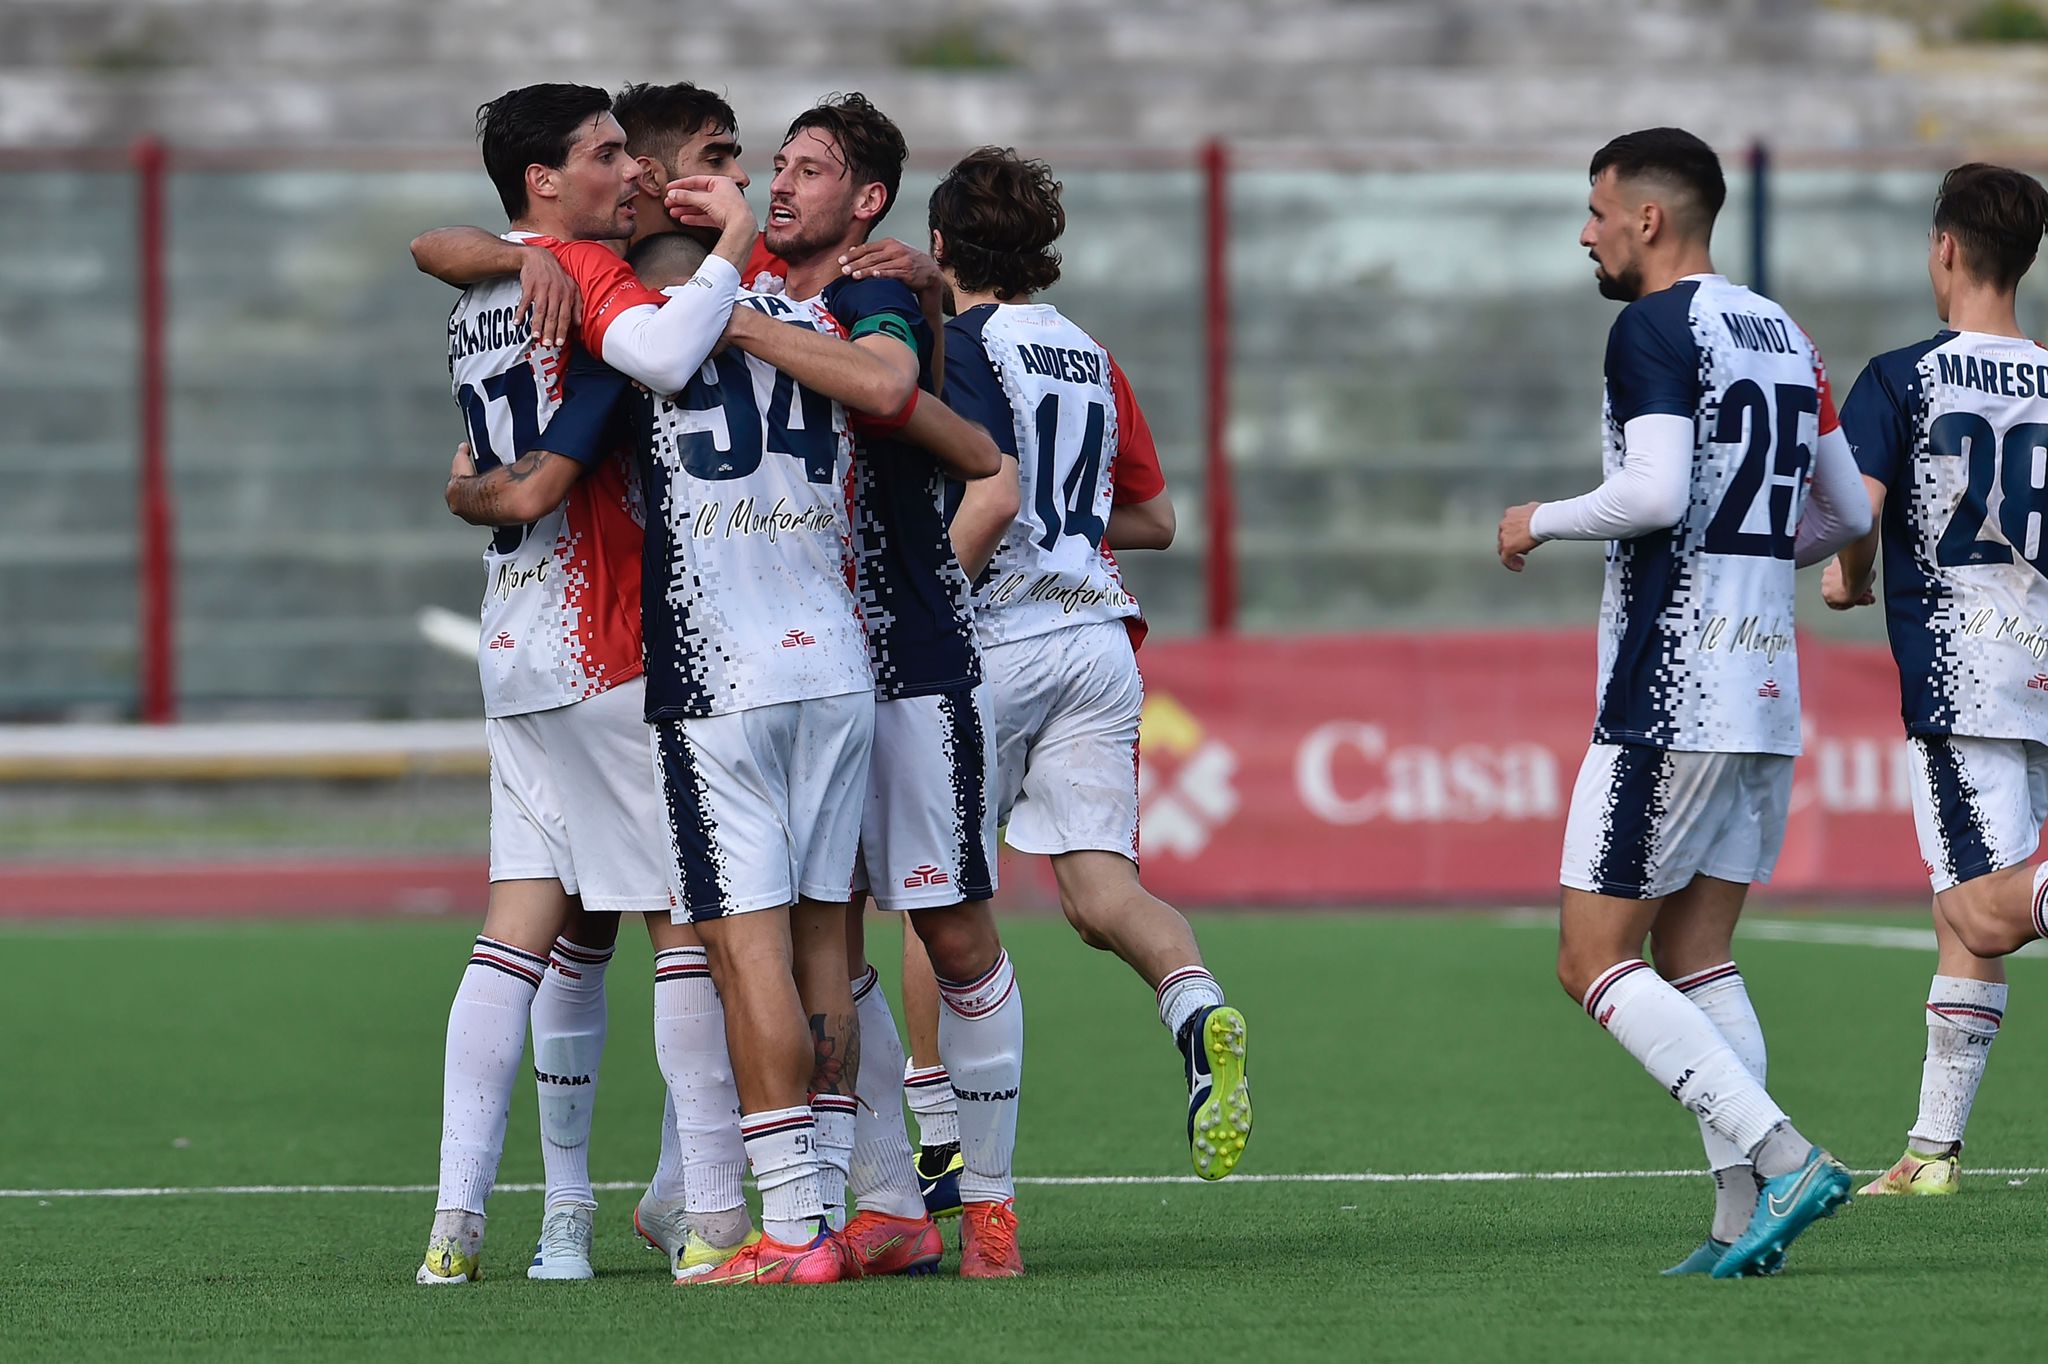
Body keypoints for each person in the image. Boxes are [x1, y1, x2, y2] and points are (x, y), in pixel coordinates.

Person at [1495, 127, 1870, 1279]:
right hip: (1762, 682)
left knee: (1589, 957)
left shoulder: (1651, 325)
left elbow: (1653, 490)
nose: (1586, 231)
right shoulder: (1783, 331)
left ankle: (1785, 1153)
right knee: (1697, 953)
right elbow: (1848, 513)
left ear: (1648, 220)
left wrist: (1536, 517)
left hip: (1673, 685)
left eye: (1596, 209)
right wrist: (1751, 555)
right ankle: (1736, 1221)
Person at [417, 78, 774, 1284]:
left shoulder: (484, 281)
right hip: (609, 638)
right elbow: (664, 356)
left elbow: (439, 249)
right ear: (544, 180)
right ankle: (707, 1218)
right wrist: (733, 239)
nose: (628, 168)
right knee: (689, 924)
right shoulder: (584, 272)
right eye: (605, 150)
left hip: (511, 643)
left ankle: (470, 1222)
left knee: (525, 928)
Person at [723, 94, 1025, 1277]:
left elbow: (924, 412)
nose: (779, 184)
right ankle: (883, 1205)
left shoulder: (879, 293)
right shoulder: (748, 283)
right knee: (825, 945)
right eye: (773, 167)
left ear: (869, 204)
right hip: (802, 672)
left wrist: (905, 306)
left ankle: (988, 1201)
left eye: (810, 170)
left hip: (908, 657)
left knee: (950, 934)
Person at [928, 147, 1253, 1193]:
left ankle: (934, 1131)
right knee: (1100, 888)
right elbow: (1155, 517)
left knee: (935, 886)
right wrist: (1065, 519)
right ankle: (1197, 1008)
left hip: (997, 636)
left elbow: (991, 483)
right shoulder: (1087, 351)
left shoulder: (960, 343)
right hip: (1099, 640)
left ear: (940, 248)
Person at [1822, 163, 2048, 1197]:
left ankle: (1929, 1151)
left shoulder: (1903, 379)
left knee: (1982, 907)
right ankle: (1930, 1151)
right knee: (1962, 914)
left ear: (1943, 248)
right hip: (2042, 662)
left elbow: (1853, 508)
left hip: (1968, 681)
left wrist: (1846, 576)